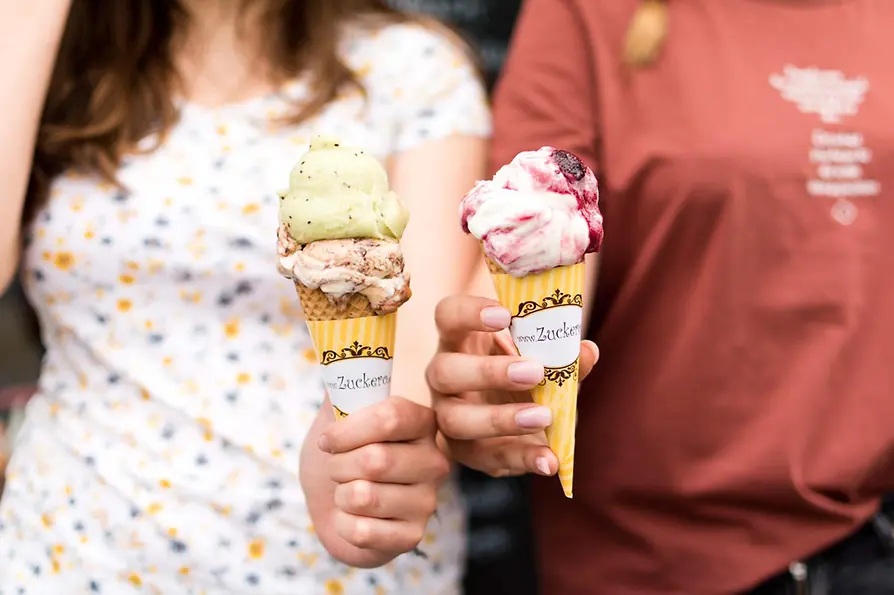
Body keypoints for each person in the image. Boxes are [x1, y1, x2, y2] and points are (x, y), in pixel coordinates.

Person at [0, 0, 489, 593]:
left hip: (332, 571)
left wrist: (369, 462)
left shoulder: (409, 67)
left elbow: (418, 337)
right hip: (67, 557)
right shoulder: (52, 62)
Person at [429, 0, 894, 594]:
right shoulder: (587, 15)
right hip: (653, 562)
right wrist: (493, 375)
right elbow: (543, 219)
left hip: (875, 532)